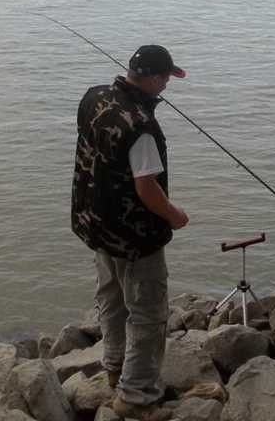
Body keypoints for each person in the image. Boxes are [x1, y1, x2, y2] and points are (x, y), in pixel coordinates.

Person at [71, 45, 189, 421]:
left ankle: (115, 368)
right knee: (148, 313)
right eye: (166, 78)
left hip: (98, 223)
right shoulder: (141, 127)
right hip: (136, 237)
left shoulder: (94, 99)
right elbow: (146, 189)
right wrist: (174, 216)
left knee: (110, 298)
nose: (167, 85)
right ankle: (137, 397)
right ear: (153, 78)